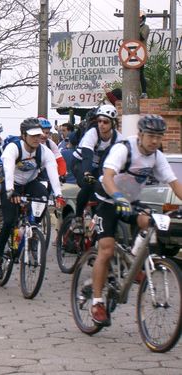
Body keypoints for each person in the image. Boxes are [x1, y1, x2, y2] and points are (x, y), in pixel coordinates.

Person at [90, 115, 182, 326]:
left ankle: (132, 261)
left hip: (131, 201)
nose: (154, 141)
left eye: (159, 137)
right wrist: (118, 197)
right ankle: (97, 302)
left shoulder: (157, 156)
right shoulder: (124, 149)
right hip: (107, 200)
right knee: (106, 248)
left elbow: (174, 184)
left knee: (150, 222)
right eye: (150, 136)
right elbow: (109, 175)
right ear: (140, 134)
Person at [0, 117, 64, 279]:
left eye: (39, 135)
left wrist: (58, 195)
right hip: (12, 185)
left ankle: (32, 232)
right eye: (33, 136)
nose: (37, 139)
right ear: (23, 135)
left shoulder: (44, 151)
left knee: (43, 195)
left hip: (30, 183)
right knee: (9, 221)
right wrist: (10, 191)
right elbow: (8, 169)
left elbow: (53, 171)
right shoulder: (13, 148)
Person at [71, 105, 123, 233]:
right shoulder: (92, 133)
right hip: (80, 163)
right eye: (99, 121)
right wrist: (87, 173)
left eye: (105, 122)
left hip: (100, 167)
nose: (101, 125)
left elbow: (120, 161)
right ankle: (78, 217)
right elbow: (87, 156)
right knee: (88, 184)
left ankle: (95, 221)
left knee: (103, 189)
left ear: (113, 124)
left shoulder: (119, 139)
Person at [139, 11, 150, 99]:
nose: (138, 19)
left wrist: (134, 28)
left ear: (143, 18)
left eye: (140, 17)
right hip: (132, 52)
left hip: (141, 53)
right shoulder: (133, 27)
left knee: (140, 73)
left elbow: (142, 37)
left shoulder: (145, 27)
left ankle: (144, 92)